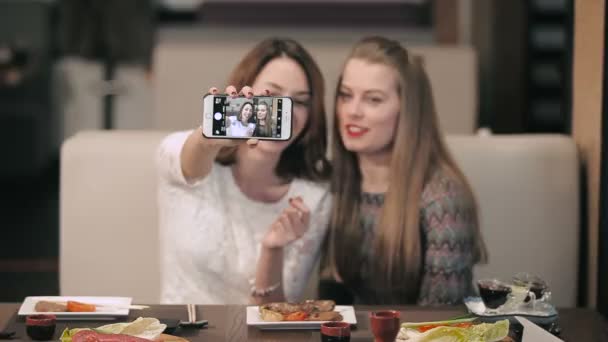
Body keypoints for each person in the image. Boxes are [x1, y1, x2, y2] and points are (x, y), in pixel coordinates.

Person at [157, 38, 331, 305]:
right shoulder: (179, 151)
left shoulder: (312, 197)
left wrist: (272, 249)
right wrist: (209, 138)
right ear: (243, 95)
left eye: (300, 102)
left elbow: (272, 317)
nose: (285, 112)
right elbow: (192, 167)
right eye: (271, 96)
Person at [320, 36, 488, 305]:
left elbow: (440, 322)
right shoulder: (334, 183)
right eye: (345, 95)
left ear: (407, 112)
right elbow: (330, 307)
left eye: (373, 100)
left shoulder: (442, 199)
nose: (352, 111)